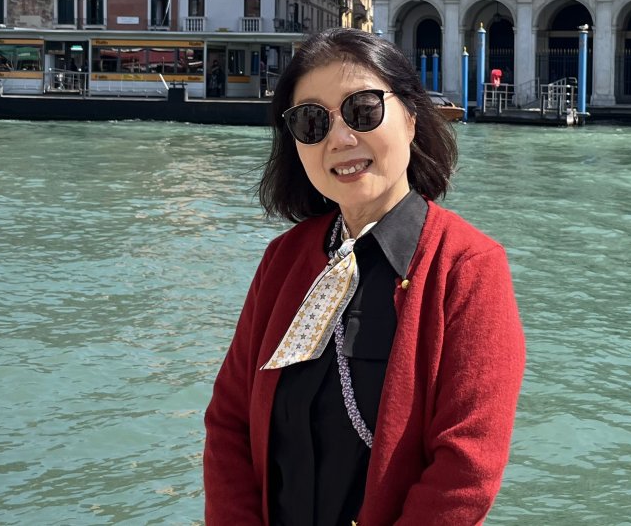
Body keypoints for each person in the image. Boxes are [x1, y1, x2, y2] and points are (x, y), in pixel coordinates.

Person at [204, 29, 525, 525]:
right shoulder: (283, 260)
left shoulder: (468, 266)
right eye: (312, 121)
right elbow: (229, 424)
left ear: (411, 117)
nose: (339, 138)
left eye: (363, 109)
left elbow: (466, 469)